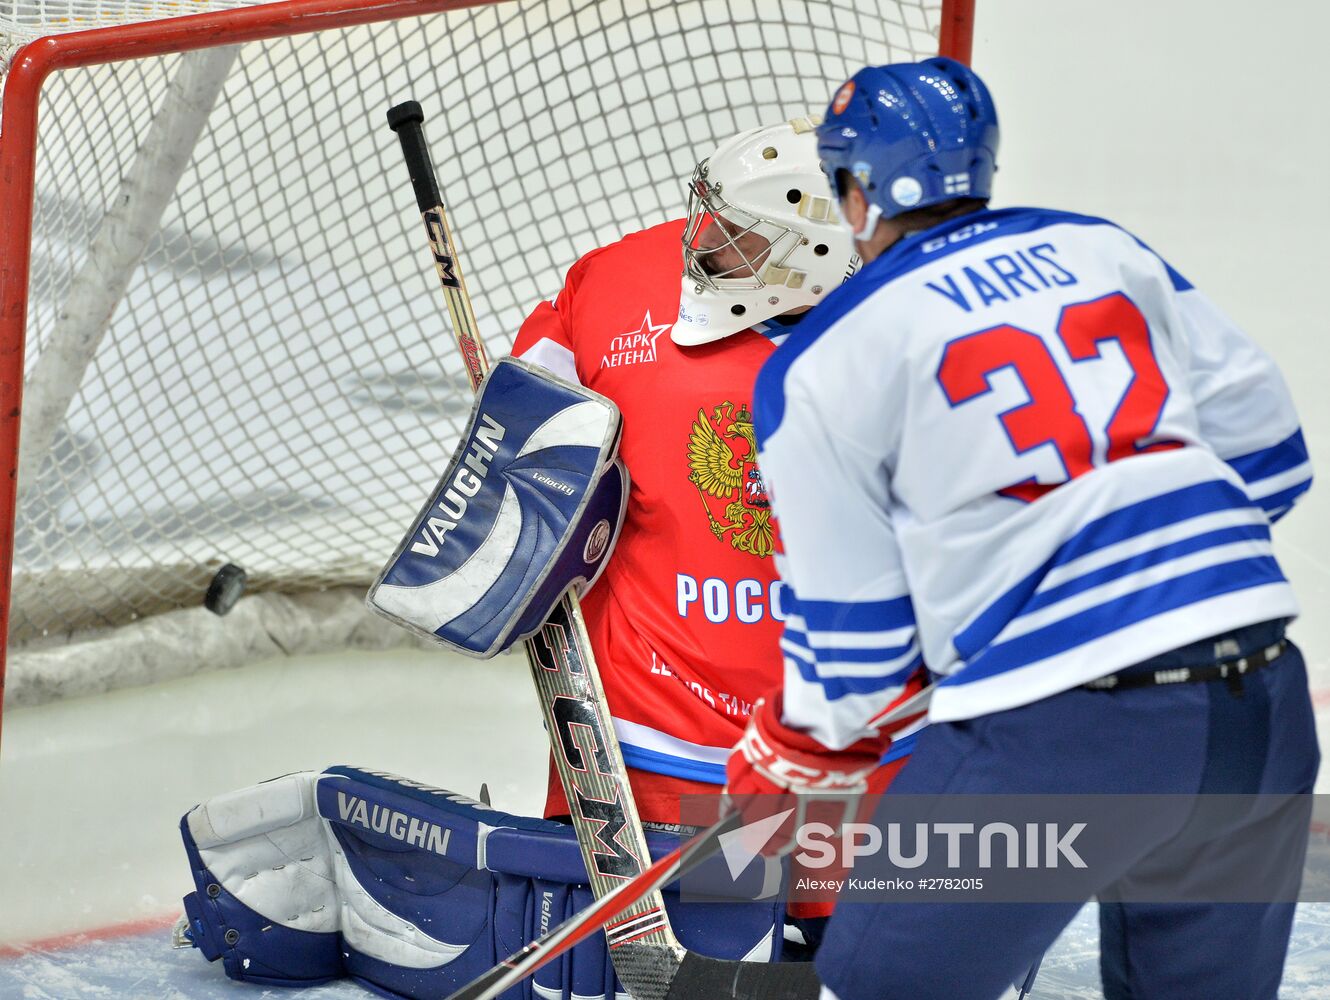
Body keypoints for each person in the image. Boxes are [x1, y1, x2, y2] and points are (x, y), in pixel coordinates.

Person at [725, 57, 1316, 999]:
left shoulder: (826, 354)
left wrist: (788, 744)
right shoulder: (1103, 248)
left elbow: (856, 665)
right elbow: (1275, 453)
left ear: (860, 192)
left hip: (1063, 739)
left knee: (867, 988)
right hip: (1263, 708)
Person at [511, 116, 917, 831]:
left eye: (738, 236)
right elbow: (526, 411)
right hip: (649, 740)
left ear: (816, 254)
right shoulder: (617, 282)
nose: (700, 243)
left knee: (840, 942)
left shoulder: (909, 341)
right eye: (712, 215)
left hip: (850, 746)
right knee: (672, 931)